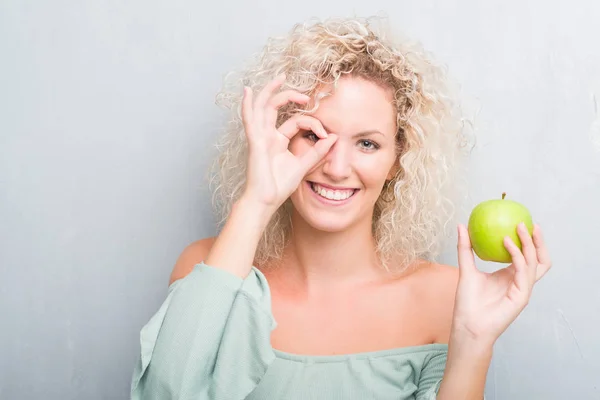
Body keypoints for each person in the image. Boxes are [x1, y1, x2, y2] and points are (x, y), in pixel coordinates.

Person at [130, 16, 551, 400]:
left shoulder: (447, 297)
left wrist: (473, 341)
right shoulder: (206, 267)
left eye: (367, 143)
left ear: (397, 160)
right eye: (314, 135)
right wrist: (257, 201)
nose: (335, 167)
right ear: (281, 138)